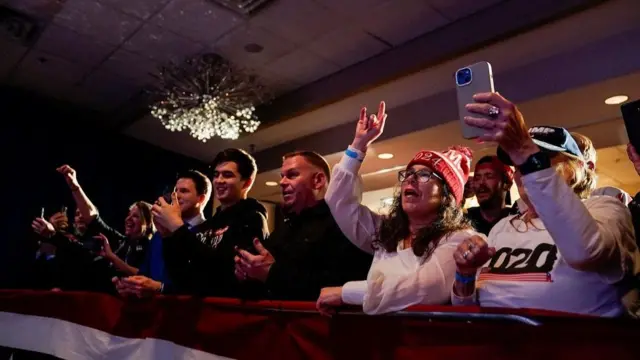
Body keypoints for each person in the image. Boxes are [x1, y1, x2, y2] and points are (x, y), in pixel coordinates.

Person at [452, 92, 638, 317]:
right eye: (519, 164)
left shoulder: (604, 209)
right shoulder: (504, 226)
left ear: (575, 169)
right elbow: (468, 315)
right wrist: (465, 275)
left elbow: (585, 251)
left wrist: (525, 151)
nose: (525, 172)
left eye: (542, 159)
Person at [316, 101, 481, 315]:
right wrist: (358, 145)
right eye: (408, 174)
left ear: (447, 197)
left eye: (424, 175)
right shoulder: (388, 232)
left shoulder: (459, 238)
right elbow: (338, 201)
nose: (411, 179)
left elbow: (424, 289)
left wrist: (346, 292)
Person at [234, 150, 372, 301]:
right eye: (282, 176)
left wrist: (273, 273)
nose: (282, 182)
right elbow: (265, 287)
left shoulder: (345, 225)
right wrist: (249, 273)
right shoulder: (283, 230)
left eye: (292, 175)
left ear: (318, 180)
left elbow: (344, 286)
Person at [160, 149, 269, 297]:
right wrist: (167, 236)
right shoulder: (209, 224)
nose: (219, 180)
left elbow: (223, 273)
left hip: (227, 312)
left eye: (228, 175)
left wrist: (178, 228)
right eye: (216, 175)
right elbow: (182, 277)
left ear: (247, 182)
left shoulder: (252, 218)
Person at [116, 170, 212, 297]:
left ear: (201, 198)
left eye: (184, 191)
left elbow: (201, 284)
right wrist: (132, 286)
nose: (176, 196)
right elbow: (145, 273)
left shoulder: (210, 234)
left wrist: (161, 288)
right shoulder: (160, 233)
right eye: (175, 190)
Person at [466, 156, 514, 235]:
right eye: (477, 178)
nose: (481, 183)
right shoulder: (465, 220)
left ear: (507, 184)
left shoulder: (517, 220)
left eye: (489, 176)